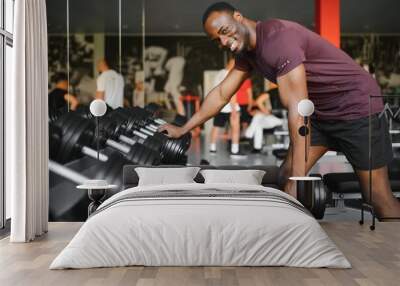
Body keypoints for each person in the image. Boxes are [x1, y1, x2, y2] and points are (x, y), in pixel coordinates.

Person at [158, 2, 400, 219]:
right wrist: (183, 129)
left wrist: (299, 181)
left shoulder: (278, 40)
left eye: (224, 32)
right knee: (286, 177)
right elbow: (222, 94)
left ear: (238, 17)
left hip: (356, 107)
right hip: (322, 114)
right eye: (216, 40)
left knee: (378, 200)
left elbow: (298, 111)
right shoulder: (248, 53)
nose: (223, 42)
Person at [209, 57, 244, 156]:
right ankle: (235, 150)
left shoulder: (220, 73)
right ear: (232, 64)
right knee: (235, 127)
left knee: (216, 126)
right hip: (229, 107)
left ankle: (212, 148)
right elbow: (231, 92)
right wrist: (233, 108)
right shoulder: (230, 75)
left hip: (219, 106)